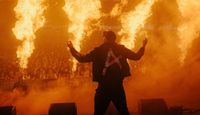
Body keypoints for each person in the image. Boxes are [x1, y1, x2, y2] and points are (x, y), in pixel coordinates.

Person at [67, 31, 147, 115]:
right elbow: (136, 56)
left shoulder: (98, 50)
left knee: (98, 113)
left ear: (105, 38)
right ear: (114, 39)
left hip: (103, 88)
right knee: (124, 112)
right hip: (118, 88)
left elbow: (82, 59)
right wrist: (143, 46)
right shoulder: (121, 49)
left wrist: (72, 48)